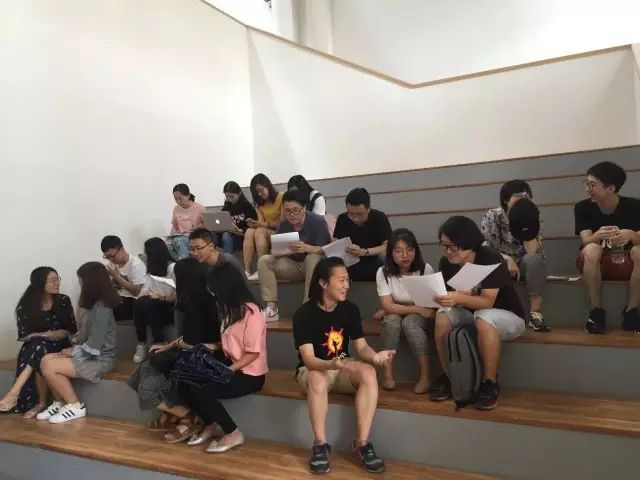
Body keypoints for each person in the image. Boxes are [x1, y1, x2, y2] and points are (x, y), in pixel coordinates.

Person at [293, 257, 395, 474]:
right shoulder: (303, 314)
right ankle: (320, 445)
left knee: (368, 372)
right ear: (323, 283)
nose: (347, 285)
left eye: (347, 280)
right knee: (317, 378)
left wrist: (375, 357)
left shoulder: (350, 309)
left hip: (341, 365)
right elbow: (308, 359)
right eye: (341, 280)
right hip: (313, 368)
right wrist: (330, 364)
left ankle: (362, 444)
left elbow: (361, 347)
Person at [428, 216, 526, 410]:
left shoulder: (489, 257)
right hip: (472, 316)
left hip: (506, 317)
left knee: (484, 316)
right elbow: (452, 299)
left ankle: (489, 382)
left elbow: (487, 302)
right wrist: (444, 299)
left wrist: (458, 297)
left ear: (469, 243)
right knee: (442, 316)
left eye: (453, 247)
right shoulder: (447, 263)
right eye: (444, 245)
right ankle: (450, 376)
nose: (448, 251)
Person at [177, 261, 267, 453]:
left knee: (202, 390)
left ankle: (233, 433)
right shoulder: (229, 309)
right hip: (230, 364)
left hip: (249, 374)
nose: (212, 293)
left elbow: (253, 353)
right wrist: (211, 347)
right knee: (184, 378)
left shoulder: (252, 312)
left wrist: (227, 370)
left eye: (215, 289)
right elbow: (230, 340)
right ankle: (209, 424)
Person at [128, 257, 220, 435]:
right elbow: (188, 338)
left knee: (148, 378)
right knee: (145, 368)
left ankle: (185, 414)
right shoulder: (193, 300)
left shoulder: (199, 304)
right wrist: (170, 345)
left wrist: (171, 346)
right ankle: (171, 411)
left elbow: (194, 342)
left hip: (202, 356)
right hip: (192, 350)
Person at [37, 262, 120, 424]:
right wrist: (72, 347)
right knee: (45, 359)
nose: (80, 283)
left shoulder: (103, 308)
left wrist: (73, 351)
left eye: (81, 279)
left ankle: (75, 406)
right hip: (87, 354)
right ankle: (60, 402)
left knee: (51, 366)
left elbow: (95, 344)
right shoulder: (89, 305)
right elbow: (82, 335)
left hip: (100, 360)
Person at [0, 268, 76, 418]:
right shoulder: (26, 305)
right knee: (39, 347)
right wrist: (43, 334)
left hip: (60, 344)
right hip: (37, 346)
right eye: (52, 280)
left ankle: (15, 394)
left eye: (58, 279)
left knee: (38, 348)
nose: (57, 283)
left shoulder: (63, 300)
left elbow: (71, 329)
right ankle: (35, 401)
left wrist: (56, 334)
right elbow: (23, 336)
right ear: (40, 283)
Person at [574, 161, 640, 334]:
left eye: (592, 185)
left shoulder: (634, 206)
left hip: (627, 263)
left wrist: (631, 235)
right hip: (595, 263)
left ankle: (632, 311)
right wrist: (597, 236)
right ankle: (596, 312)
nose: (587, 189)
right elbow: (585, 241)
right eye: (586, 183)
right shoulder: (582, 207)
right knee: (592, 248)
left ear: (611, 188)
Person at [481, 180, 550, 332]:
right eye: (519, 196)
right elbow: (485, 250)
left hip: (523, 263)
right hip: (498, 262)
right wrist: (506, 259)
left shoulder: (534, 215)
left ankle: (535, 313)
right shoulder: (493, 216)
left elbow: (533, 252)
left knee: (534, 260)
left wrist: (526, 224)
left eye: (527, 197)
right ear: (506, 199)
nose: (523, 200)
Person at [376, 229, 435, 393]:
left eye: (410, 250)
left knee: (410, 323)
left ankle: (425, 377)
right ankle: (387, 374)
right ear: (391, 253)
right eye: (399, 251)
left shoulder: (425, 269)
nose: (405, 255)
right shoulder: (383, 272)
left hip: (420, 314)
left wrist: (394, 307)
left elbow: (429, 306)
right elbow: (388, 306)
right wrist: (415, 308)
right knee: (391, 322)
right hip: (412, 309)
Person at [257, 190, 331, 321]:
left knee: (313, 257)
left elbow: (327, 250)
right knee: (264, 260)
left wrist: (307, 248)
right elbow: (277, 252)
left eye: (295, 210)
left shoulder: (317, 222)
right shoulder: (283, 225)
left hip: (315, 268)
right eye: (287, 211)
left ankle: (309, 306)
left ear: (304, 208)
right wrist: (277, 252)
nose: (291, 215)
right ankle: (272, 308)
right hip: (293, 265)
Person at [132, 238, 177, 364]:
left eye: (146, 253)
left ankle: (159, 340)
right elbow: (147, 288)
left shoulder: (172, 268)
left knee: (149, 304)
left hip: (171, 306)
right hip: (156, 305)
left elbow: (181, 295)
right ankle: (141, 343)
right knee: (139, 302)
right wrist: (144, 294)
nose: (145, 256)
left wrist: (161, 297)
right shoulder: (152, 269)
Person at [333, 188, 391, 281]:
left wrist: (364, 252)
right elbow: (336, 243)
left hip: (374, 258)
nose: (355, 219)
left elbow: (387, 246)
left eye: (360, 214)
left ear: (368, 209)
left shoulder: (379, 217)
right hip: (350, 261)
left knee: (386, 258)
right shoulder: (342, 218)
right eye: (350, 213)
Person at [243, 174, 284, 280]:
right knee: (249, 231)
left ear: (267, 185)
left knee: (260, 232)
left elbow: (283, 223)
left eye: (260, 190)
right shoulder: (259, 203)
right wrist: (255, 224)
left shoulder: (282, 197)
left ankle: (262, 268)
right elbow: (261, 222)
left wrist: (264, 225)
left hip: (280, 232)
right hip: (267, 232)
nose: (259, 194)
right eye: (256, 192)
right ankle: (247, 270)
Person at [100, 235, 146, 323]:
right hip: (119, 298)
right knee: (98, 305)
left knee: (113, 308)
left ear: (121, 249)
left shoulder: (136, 264)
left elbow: (136, 292)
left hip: (135, 300)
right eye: (107, 257)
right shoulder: (111, 265)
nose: (110, 259)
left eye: (112, 256)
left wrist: (117, 277)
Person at [213, 181, 258, 253]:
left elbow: (253, 226)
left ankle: (227, 259)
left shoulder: (247, 206)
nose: (229, 199)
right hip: (230, 234)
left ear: (239, 193)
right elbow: (220, 218)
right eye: (227, 197)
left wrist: (240, 230)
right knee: (213, 233)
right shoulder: (227, 205)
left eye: (232, 196)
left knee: (226, 235)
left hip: (242, 237)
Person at [170, 183, 206, 260]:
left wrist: (198, 227)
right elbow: (174, 227)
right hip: (180, 236)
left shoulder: (200, 208)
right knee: (164, 244)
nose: (178, 202)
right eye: (176, 199)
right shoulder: (176, 209)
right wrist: (172, 235)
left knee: (179, 242)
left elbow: (208, 226)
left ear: (188, 195)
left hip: (194, 237)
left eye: (180, 198)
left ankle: (186, 263)